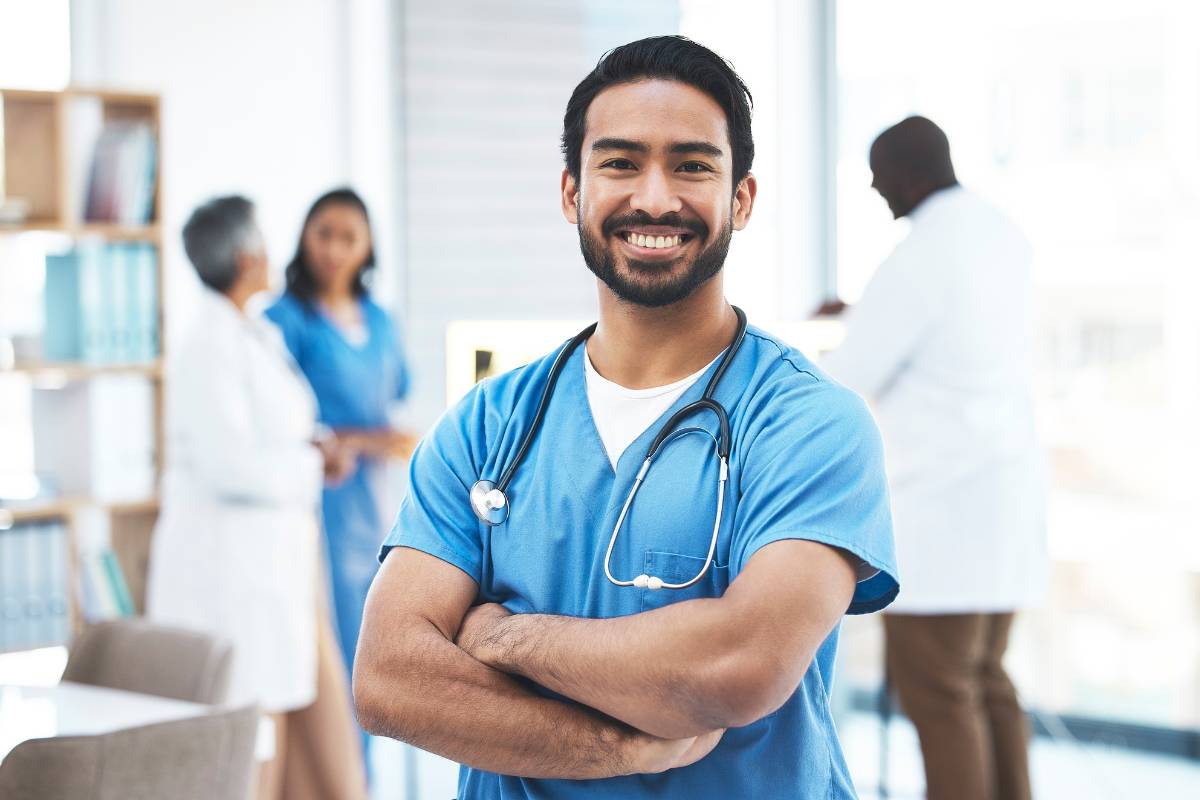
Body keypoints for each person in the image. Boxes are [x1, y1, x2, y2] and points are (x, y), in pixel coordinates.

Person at [354, 36, 899, 800]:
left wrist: (498, 635)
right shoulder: (488, 426)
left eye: (692, 165)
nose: (653, 198)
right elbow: (388, 678)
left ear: (740, 198)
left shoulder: (809, 424)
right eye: (619, 162)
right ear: (572, 192)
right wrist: (617, 746)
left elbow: (738, 666)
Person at [819, 116, 1046, 800]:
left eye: (879, 172)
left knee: (941, 695)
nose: (873, 185)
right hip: (1005, 502)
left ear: (913, 172)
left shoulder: (918, 255)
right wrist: (863, 308)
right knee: (987, 684)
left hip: (946, 510)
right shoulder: (1000, 232)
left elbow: (851, 375)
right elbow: (961, 326)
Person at [146, 196, 366, 800]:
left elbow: (279, 426)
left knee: (298, 720)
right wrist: (310, 464)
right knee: (251, 744)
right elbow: (231, 466)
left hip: (276, 570)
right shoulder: (207, 345)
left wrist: (315, 444)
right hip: (233, 580)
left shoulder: (253, 332)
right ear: (248, 257)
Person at [264, 188, 416, 699]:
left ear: (367, 249)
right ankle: (339, 779)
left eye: (348, 238)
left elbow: (398, 401)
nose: (332, 249)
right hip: (313, 501)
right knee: (328, 661)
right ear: (303, 237)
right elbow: (276, 425)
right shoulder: (283, 323)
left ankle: (360, 781)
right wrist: (366, 439)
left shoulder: (380, 322)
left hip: (373, 507)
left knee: (375, 657)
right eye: (323, 234)